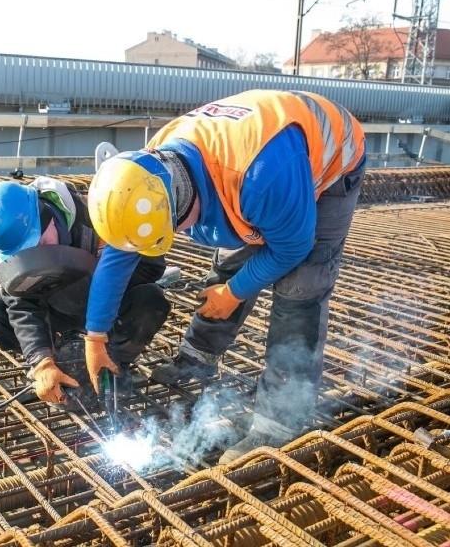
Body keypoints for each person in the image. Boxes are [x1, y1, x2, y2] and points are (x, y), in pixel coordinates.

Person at [84, 89, 366, 463]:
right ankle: (197, 357)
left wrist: (235, 292)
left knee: (300, 290)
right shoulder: (141, 178)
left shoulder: (259, 181)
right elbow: (119, 256)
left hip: (330, 159)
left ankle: (279, 424)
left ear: (181, 208)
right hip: (250, 163)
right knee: (230, 265)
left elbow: (292, 248)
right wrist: (96, 336)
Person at [0, 177, 171, 407]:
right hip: (56, 307)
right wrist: (41, 360)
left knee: (151, 300)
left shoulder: (97, 215)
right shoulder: (12, 258)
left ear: (47, 215)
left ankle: (114, 367)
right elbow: (22, 306)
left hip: (109, 306)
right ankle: (59, 365)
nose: (40, 254)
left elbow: (153, 267)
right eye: (29, 252)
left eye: (42, 243)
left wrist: (104, 275)